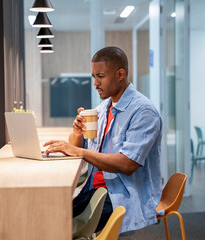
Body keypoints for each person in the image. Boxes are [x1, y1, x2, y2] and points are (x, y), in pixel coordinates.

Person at [44, 46, 162, 234]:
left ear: (120, 74)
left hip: (120, 194)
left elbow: (127, 164)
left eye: (100, 76)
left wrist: (80, 151)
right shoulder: (103, 108)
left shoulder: (143, 112)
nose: (95, 83)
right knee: (48, 216)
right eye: (93, 77)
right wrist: (77, 133)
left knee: (56, 226)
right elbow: (78, 146)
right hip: (95, 187)